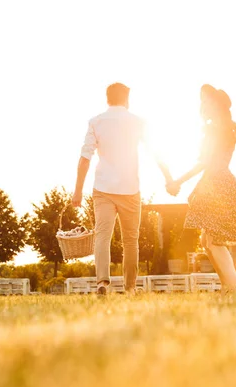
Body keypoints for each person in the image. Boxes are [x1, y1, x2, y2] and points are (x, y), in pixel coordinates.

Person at [72, 82, 173, 295]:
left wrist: (77, 191)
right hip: (130, 189)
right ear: (127, 99)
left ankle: (102, 282)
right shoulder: (138, 122)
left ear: (107, 99)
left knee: (102, 236)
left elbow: (85, 158)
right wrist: (168, 177)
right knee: (130, 241)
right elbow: (156, 152)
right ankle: (129, 288)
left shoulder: (96, 122)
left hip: (102, 188)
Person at [166, 84, 236, 293]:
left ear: (214, 104)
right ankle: (227, 287)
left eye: (205, 100)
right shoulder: (223, 127)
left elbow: (205, 162)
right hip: (219, 181)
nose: (202, 104)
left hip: (217, 183)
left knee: (212, 241)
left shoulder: (215, 129)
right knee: (207, 240)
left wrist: (178, 181)